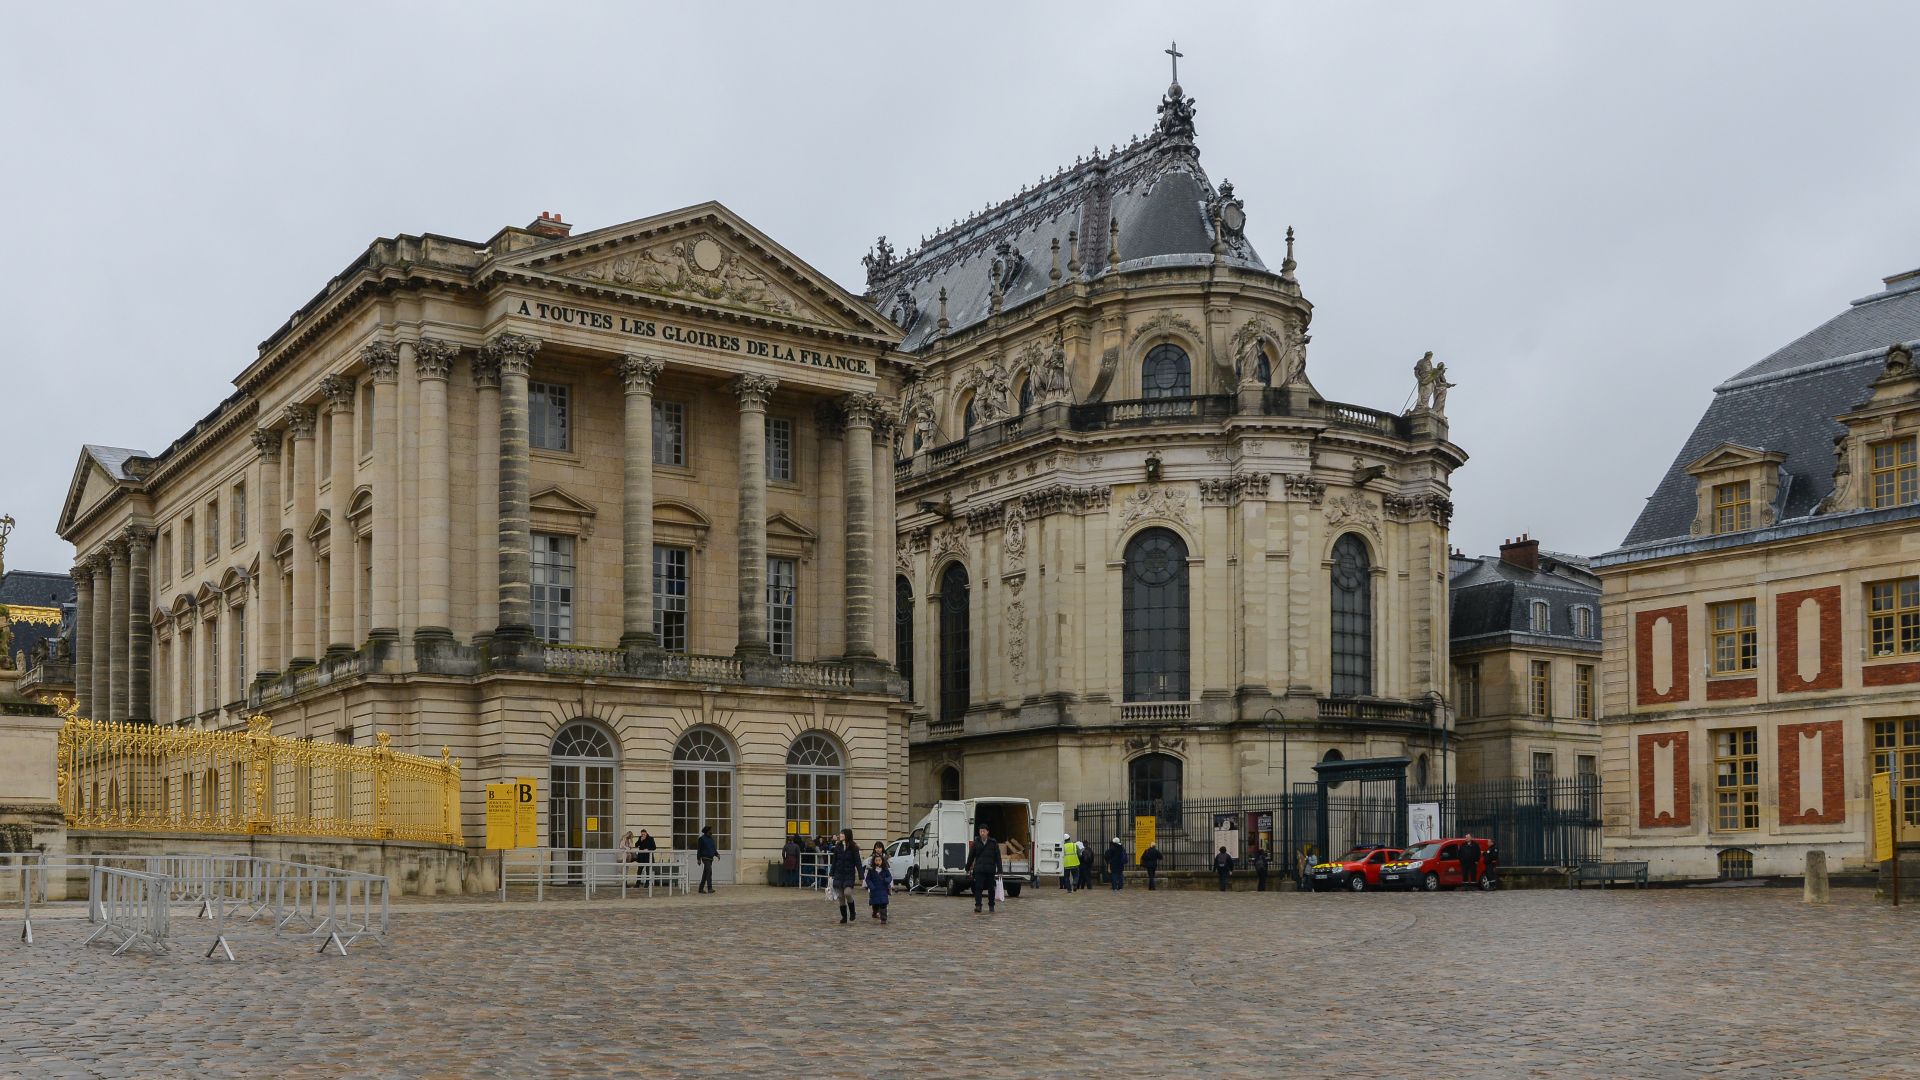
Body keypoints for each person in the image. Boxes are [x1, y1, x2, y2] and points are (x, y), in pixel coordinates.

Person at [967, 826, 1001, 913]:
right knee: (978, 888)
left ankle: (991, 905)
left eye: (984, 831)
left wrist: (1000, 870)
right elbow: (971, 856)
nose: (982, 833)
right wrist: (967, 867)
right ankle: (978, 905)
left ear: (987, 832)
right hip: (979, 869)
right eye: (981, 831)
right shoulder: (976, 843)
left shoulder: (993, 843)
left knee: (991, 888)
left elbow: (998, 857)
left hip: (990, 869)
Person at [831, 828, 862, 924]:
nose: (840, 835)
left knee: (847, 893)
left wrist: (861, 876)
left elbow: (858, 862)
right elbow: (834, 861)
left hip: (849, 875)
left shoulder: (854, 847)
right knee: (840, 896)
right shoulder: (838, 846)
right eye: (840, 833)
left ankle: (852, 912)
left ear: (847, 835)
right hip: (838, 874)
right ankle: (844, 917)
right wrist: (831, 874)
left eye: (842, 834)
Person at [864, 852, 895, 923]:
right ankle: (875, 912)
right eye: (876, 860)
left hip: (883, 889)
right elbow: (868, 879)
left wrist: (887, 880)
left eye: (879, 860)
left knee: (883, 903)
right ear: (874, 861)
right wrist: (871, 886)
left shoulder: (885, 869)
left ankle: (883, 919)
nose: (878, 862)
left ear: (882, 861)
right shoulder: (871, 870)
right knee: (875, 903)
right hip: (874, 890)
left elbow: (889, 877)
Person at [695, 825, 718, 894]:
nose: (711, 831)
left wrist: (717, 854)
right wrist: (698, 859)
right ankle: (709, 888)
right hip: (705, 858)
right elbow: (699, 849)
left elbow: (713, 848)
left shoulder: (711, 839)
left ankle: (700, 889)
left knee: (705, 874)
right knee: (709, 871)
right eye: (710, 830)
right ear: (707, 831)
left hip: (710, 858)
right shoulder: (701, 839)